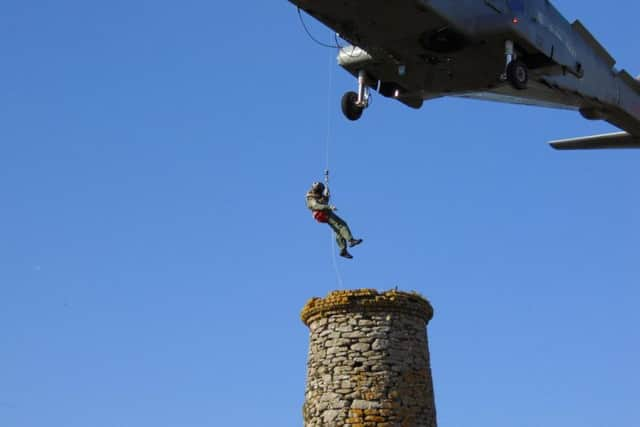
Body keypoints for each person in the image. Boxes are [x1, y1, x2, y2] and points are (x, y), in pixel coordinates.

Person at [305, 181, 363, 259]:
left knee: (338, 231)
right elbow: (316, 206)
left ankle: (343, 250)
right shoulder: (310, 197)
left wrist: (326, 196)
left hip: (324, 213)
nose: (321, 191)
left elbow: (323, 201)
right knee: (342, 224)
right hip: (322, 213)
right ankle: (351, 240)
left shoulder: (317, 196)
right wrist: (329, 207)